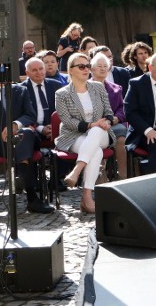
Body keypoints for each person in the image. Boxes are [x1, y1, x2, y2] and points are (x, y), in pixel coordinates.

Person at [0, 72, 54, 213]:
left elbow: (30, 115)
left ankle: (20, 177)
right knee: (24, 150)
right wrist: (8, 129)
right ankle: (31, 196)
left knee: (27, 134)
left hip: (23, 137)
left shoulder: (20, 90)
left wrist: (16, 125)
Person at [55, 53, 114, 214]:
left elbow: (109, 112)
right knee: (96, 152)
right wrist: (90, 124)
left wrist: (106, 122)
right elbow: (67, 121)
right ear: (70, 70)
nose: (86, 69)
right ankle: (87, 197)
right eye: (81, 66)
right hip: (73, 135)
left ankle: (76, 171)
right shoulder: (62, 94)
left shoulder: (98, 87)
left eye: (88, 66)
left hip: (101, 133)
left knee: (96, 132)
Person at [89, 52, 129, 179]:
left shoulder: (116, 88)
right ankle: (101, 175)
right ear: (92, 69)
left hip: (112, 124)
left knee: (121, 133)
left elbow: (122, 108)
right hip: (93, 125)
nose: (102, 68)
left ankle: (123, 176)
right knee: (97, 136)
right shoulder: (84, 87)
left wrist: (116, 118)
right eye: (99, 66)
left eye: (105, 66)